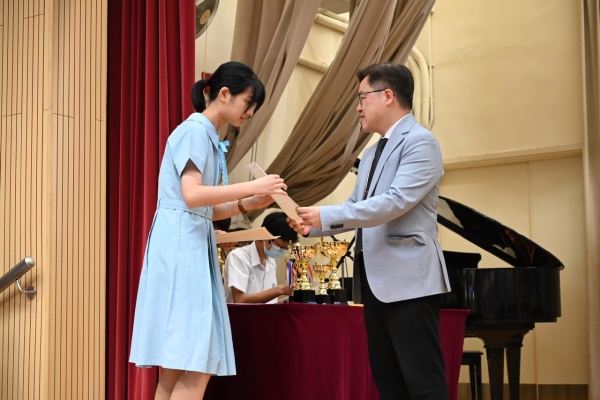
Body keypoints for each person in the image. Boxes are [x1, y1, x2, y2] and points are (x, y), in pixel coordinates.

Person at [289, 63, 450, 400]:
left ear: (387, 95)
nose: (358, 107)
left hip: (410, 283)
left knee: (423, 384)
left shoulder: (420, 142)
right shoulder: (372, 151)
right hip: (375, 284)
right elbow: (355, 207)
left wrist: (324, 214)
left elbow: (394, 202)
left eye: (362, 98)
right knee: (389, 384)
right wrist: (311, 224)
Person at [129, 61, 288, 400]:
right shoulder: (196, 131)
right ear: (224, 94)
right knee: (199, 359)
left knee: (177, 365)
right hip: (182, 247)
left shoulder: (207, 136)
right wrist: (252, 186)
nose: (250, 112)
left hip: (186, 241)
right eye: (248, 103)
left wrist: (250, 203)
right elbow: (193, 195)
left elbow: (206, 207)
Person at [224, 212, 297, 304]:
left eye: (285, 249)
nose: (281, 251)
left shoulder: (271, 261)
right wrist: (280, 290)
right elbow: (240, 300)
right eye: (280, 247)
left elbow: (269, 300)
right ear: (264, 236)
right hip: (242, 313)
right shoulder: (238, 257)